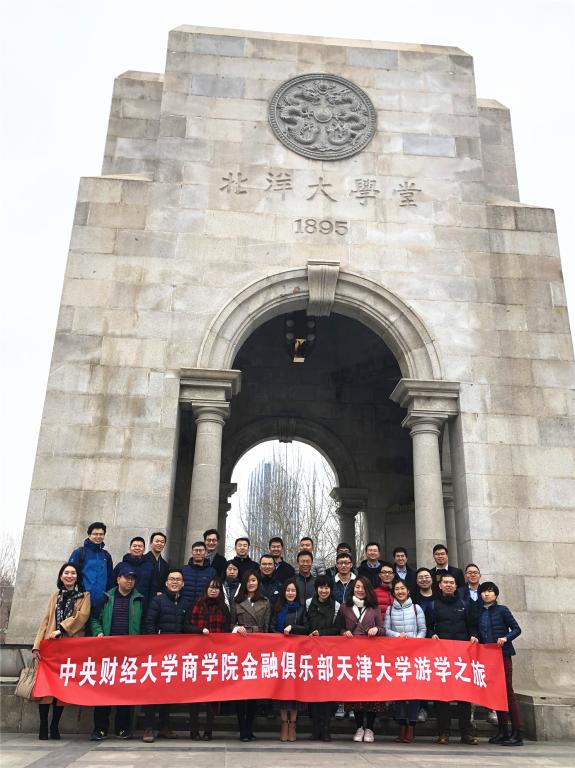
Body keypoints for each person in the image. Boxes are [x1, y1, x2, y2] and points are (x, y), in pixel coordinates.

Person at [33, 562, 91, 740]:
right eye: (66, 573)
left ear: (77, 577)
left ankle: (54, 725)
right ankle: (43, 724)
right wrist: (37, 645)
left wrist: (62, 629)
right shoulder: (55, 596)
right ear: (61, 576)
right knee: (46, 687)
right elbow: (45, 620)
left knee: (62, 687)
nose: (69, 576)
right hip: (51, 646)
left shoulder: (84, 596)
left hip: (70, 647)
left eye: (73, 573)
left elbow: (81, 617)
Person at [90, 563, 144, 741]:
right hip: (107, 652)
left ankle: (122, 728)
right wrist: (99, 632)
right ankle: (100, 728)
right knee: (103, 690)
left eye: (133, 578)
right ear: (118, 579)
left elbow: (144, 625)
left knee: (125, 691)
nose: (130, 581)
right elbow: (94, 619)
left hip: (129, 653)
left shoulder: (139, 600)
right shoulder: (105, 598)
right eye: (127, 578)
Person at [141, 568, 192, 743]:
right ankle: (149, 727)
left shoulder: (186, 603)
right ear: (166, 582)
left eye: (178, 579)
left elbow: (186, 626)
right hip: (157, 653)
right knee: (152, 690)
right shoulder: (158, 600)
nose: (175, 582)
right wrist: (154, 645)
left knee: (169, 691)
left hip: (176, 655)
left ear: (183, 584)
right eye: (172, 579)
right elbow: (149, 623)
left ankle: (164, 726)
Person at [428, 573, 479, 746]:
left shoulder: (465, 604)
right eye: (446, 582)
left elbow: (472, 625)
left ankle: (466, 732)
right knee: (442, 696)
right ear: (440, 585)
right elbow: (428, 627)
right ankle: (443, 732)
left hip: (461, 657)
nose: (449, 585)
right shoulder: (433, 605)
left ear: (456, 586)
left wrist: (473, 635)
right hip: (441, 657)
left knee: (464, 696)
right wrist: (431, 634)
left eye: (452, 582)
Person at [292, 576, 340, 741]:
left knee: (327, 693)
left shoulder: (337, 606)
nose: (324, 591)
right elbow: (305, 625)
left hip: (328, 654)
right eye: (321, 587)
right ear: (316, 589)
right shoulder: (308, 604)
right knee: (312, 692)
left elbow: (337, 628)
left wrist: (322, 633)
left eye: (327, 588)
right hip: (310, 653)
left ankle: (326, 729)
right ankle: (315, 729)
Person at [339, 577, 386, 743]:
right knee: (356, 693)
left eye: (363, 588)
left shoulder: (374, 607)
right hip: (352, 656)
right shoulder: (345, 607)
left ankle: (370, 728)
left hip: (370, 655)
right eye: (357, 587)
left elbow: (382, 628)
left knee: (371, 693)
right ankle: (359, 727)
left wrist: (376, 629)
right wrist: (344, 632)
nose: (360, 590)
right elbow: (339, 627)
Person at [478, 582, 523, 747]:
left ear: (496, 594)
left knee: (508, 692)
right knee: (496, 693)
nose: (487, 594)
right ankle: (503, 731)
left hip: (503, 655)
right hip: (488, 657)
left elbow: (517, 629)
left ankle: (517, 732)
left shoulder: (502, 610)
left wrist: (506, 638)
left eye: (490, 591)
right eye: (484, 591)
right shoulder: (479, 612)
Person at [187, 578, 231, 740]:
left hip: (215, 656)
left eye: (217, 588)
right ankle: (194, 730)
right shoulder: (196, 604)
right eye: (211, 588)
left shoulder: (224, 608)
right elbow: (186, 626)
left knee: (212, 696)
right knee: (194, 695)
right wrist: (199, 631)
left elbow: (227, 630)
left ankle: (208, 730)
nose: (213, 590)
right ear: (206, 589)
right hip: (196, 655)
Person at [384, 580, 426, 743]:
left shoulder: (416, 608)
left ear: (408, 591)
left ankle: (411, 727)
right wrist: (397, 636)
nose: (400, 591)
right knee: (399, 693)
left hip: (414, 655)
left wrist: (415, 641)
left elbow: (423, 629)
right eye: (397, 589)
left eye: (403, 588)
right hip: (397, 655)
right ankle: (401, 726)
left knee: (414, 693)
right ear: (393, 592)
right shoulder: (389, 610)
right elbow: (386, 630)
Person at [232, 570, 271, 741]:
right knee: (241, 691)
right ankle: (242, 729)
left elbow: (267, 627)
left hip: (258, 648)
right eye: (248, 581)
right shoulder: (236, 601)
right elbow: (230, 623)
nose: (251, 583)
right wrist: (236, 628)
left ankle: (249, 728)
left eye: (254, 580)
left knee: (254, 691)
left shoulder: (265, 602)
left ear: (258, 582)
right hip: (241, 648)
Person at [270, 579, 305, 741]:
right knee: (282, 690)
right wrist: (279, 637)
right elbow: (271, 627)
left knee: (295, 691)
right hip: (280, 654)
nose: (290, 593)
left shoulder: (301, 609)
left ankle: (293, 724)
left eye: (293, 590)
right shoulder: (277, 608)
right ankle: (284, 723)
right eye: (288, 590)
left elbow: (307, 627)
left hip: (296, 655)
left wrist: (293, 628)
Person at [69, 521, 113, 617]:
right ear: (89, 535)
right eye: (95, 534)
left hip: (101, 603)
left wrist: (106, 596)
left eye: (101, 534)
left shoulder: (106, 555)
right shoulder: (79, 553)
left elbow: (110, 577)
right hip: (82, 600)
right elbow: (70, 575)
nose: (98, 536)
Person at [411, 566, 435, 724]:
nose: (424, 580)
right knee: (420, 674)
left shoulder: (439, 595)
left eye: (427, 577)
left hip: (436, 641)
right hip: (418, 642)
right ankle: (422, 707)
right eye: (420, 577)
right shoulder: (412, 598)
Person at [113, 536, 156, 611]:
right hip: (121, 605)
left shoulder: (150, 567)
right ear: (130, 548)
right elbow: (112, 584)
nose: (137, 548)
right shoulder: (121, 566)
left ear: (144, 549)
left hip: (142, 606)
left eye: (140, 546)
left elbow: (153, 589)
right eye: (134, 546)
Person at [181, 541, 216, 607]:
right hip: (185, 607)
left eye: (201, 550)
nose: (198, 553)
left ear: (205, 552)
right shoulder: (183, 570)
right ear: (192, 552)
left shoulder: (212, 571)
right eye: (196, 550)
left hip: (203, 608)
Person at [144, 532, 170, 596]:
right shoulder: (143, 559)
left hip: (158, 598)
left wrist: (162, 592)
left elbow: (166, 582)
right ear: (151, 543)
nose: (159, 544)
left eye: (162, 542)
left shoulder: (165, 564)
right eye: (157, 541)